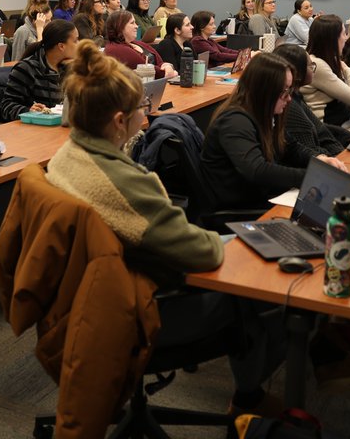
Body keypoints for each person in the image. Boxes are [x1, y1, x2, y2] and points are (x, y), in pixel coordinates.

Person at [44, 39, 288, 417]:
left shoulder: (66, 157)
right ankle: (248, 399)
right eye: (142, 108)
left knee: (252, 244)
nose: (147, 116)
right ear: (119, 121)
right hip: (145, 307)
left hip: (91, 296)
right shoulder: (124, 185)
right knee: (262, 279)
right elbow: (203, 252)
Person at [200, 53, 339, 211]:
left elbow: (290, 146)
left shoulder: (263, 113)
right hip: (240, 209)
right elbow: (257, 171)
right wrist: (310, 176)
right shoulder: (235, 122)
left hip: (260, 198)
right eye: (284, 92)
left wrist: (319, 159)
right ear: (265, 92)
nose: (289, 99)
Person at [271, 44, 350, 160]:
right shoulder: (288, 105)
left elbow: (321, 129)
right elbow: (309, 147)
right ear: (296, 73)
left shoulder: (296, 96)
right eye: (310, 65)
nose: (313, 69)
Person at [0, 20, 78, 122]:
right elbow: (7, 106)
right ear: (61, 46)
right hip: (34, 129)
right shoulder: (27, 69)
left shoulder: (70, 67)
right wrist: (28, 111)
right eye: (75, 41)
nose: (79, 44)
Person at [302, 14, 350, 125]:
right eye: (344, 33)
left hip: (342, 127)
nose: (346, 38)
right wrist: (347, 70)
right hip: (331, 132)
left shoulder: (330, 61)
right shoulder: (317, 65)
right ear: (333, 39)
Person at [102, 11, 175, 80]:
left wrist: (167, 66)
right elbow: (153, 72)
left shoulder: (136, 43)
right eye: (132, 23)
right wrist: (168, 70)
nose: (136, 26)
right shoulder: (116, 49)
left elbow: (160, 62)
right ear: (120, 26)